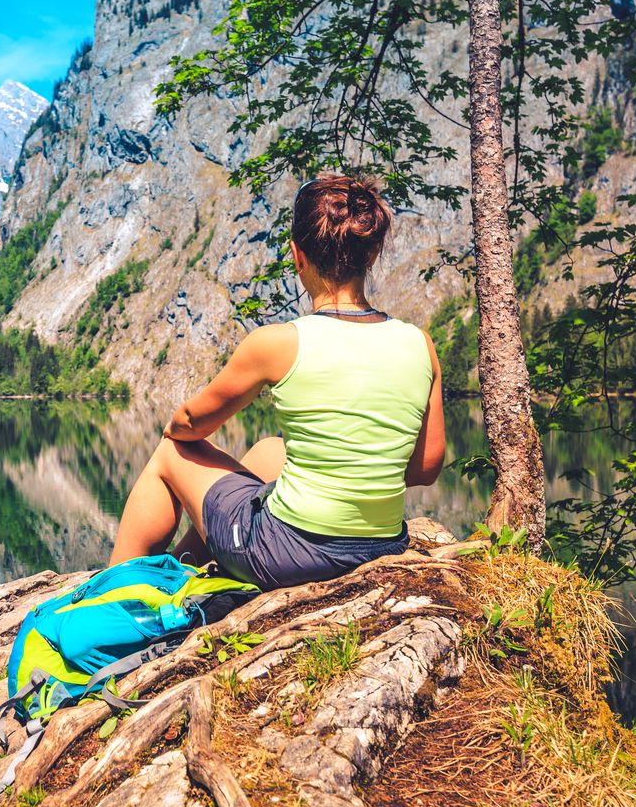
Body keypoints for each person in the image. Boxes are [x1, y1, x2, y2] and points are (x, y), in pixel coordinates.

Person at [107, 174, 445, 589]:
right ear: (371, 254)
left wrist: (176, 427)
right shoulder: (419, 344)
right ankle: (182, 570)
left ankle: (114, 593)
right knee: (270, 451)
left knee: (172, 452)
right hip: (381, 546)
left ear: (297, 255)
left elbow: (192, 422)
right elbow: (426, 468)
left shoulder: (280, 343)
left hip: (289, 555)